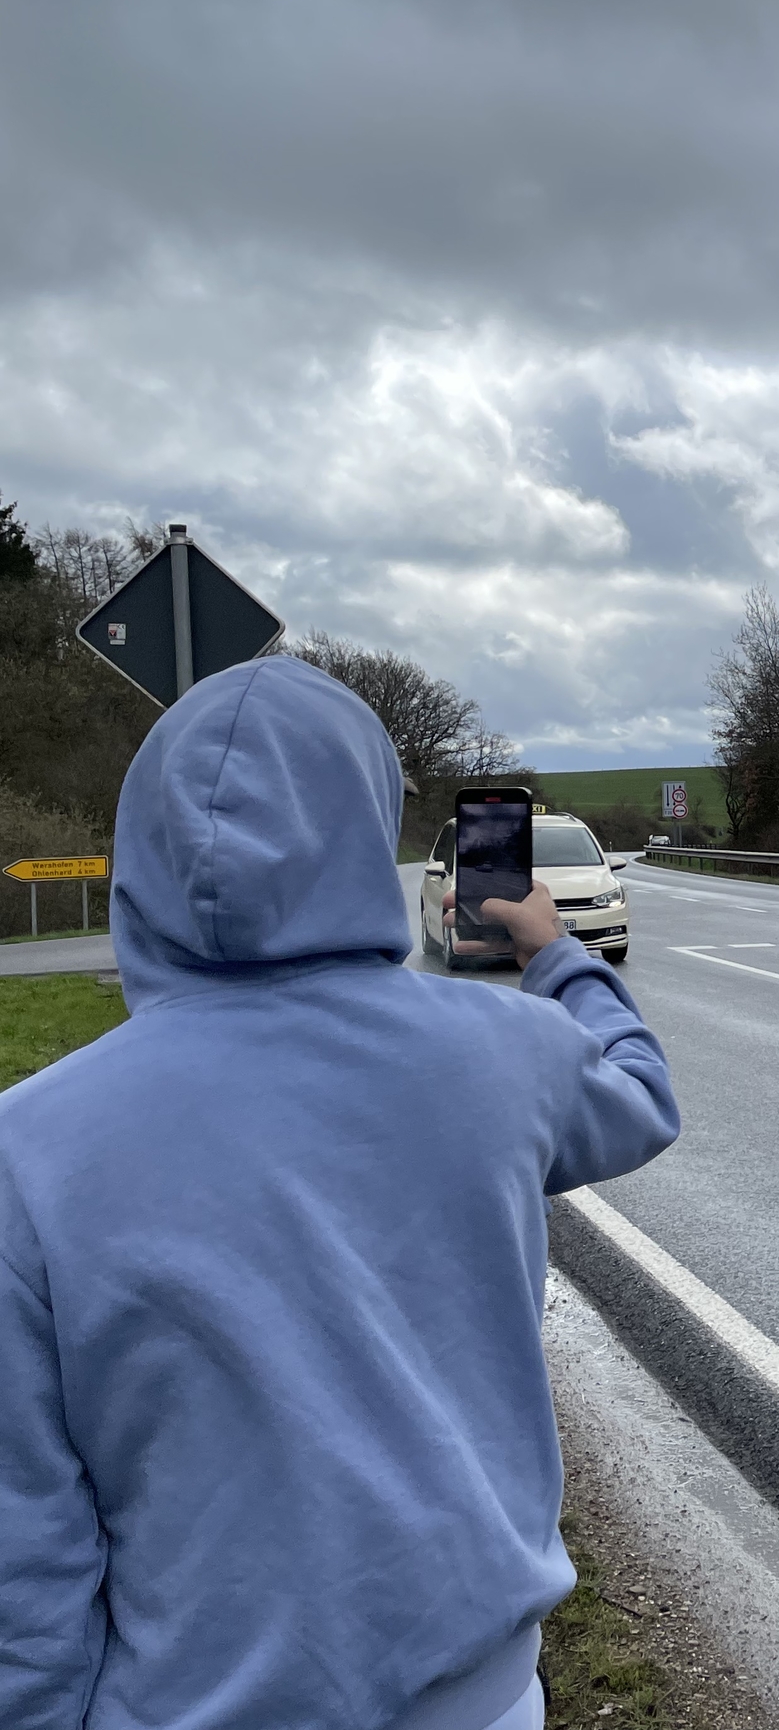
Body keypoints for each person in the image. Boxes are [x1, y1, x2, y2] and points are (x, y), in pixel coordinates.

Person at [0, 656, 680, 1730]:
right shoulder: (500, 1054)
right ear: (366, 832)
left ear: (144, 851)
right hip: (482, 1702)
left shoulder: (28, 1148)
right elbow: (642, 1096)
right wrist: (549, 948)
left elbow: (22, 1543)